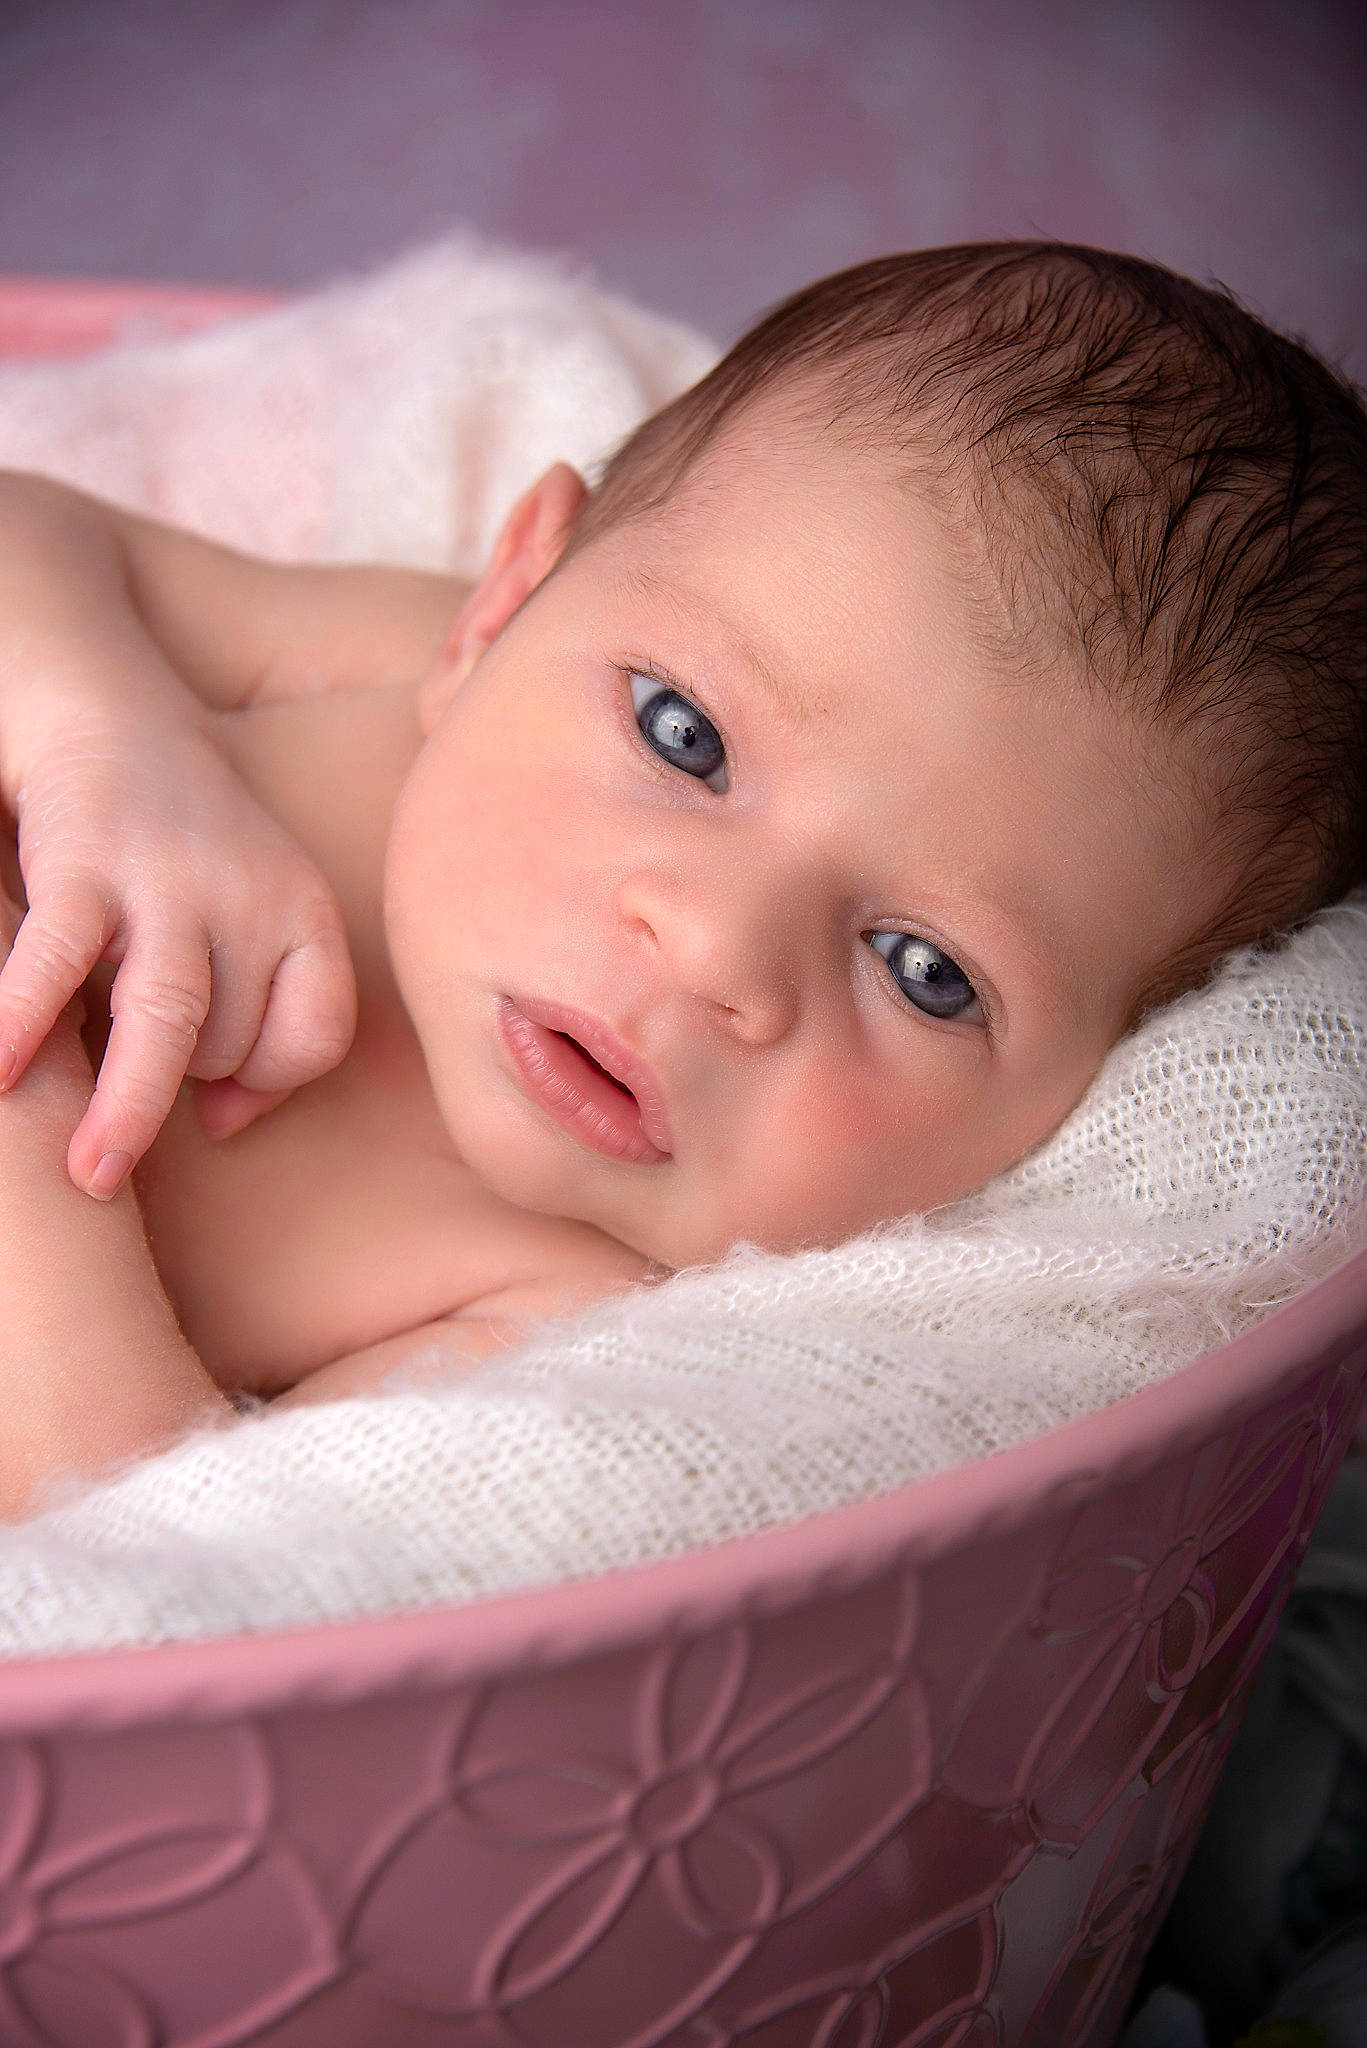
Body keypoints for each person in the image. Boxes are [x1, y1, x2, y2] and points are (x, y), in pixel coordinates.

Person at [0, 240, 1362, 1515]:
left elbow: (141, 1543)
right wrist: (104, 744)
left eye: (924, 970)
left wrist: (32, 1099)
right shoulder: (401, 670)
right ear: (507, 601)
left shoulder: (560, 1320)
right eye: (683, 735)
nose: (714, 949)